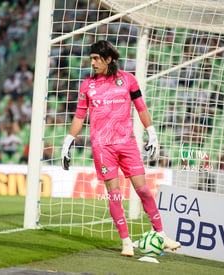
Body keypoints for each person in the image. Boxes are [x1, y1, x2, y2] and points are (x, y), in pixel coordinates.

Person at [60, 40, 180, 257]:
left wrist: (152, 132)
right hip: (102, 146)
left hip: (127, 143)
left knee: (143, 190)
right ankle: (126, 242)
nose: (92, 62)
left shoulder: (128, 80)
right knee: (115, 195)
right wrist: (68, 141)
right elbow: (80, 115)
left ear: (108, 59)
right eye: (91, 59)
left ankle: (161, 235)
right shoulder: (87, 85)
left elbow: (141, 107)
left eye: (97, 58)